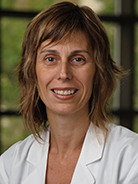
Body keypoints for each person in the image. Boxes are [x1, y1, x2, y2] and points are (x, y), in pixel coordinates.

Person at [0, 1, 138, 184]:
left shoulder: (131, 157)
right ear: (32, 72)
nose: (64, 73)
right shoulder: (9, 165)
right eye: (50, 58)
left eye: (78, 59)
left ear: (98, 72)